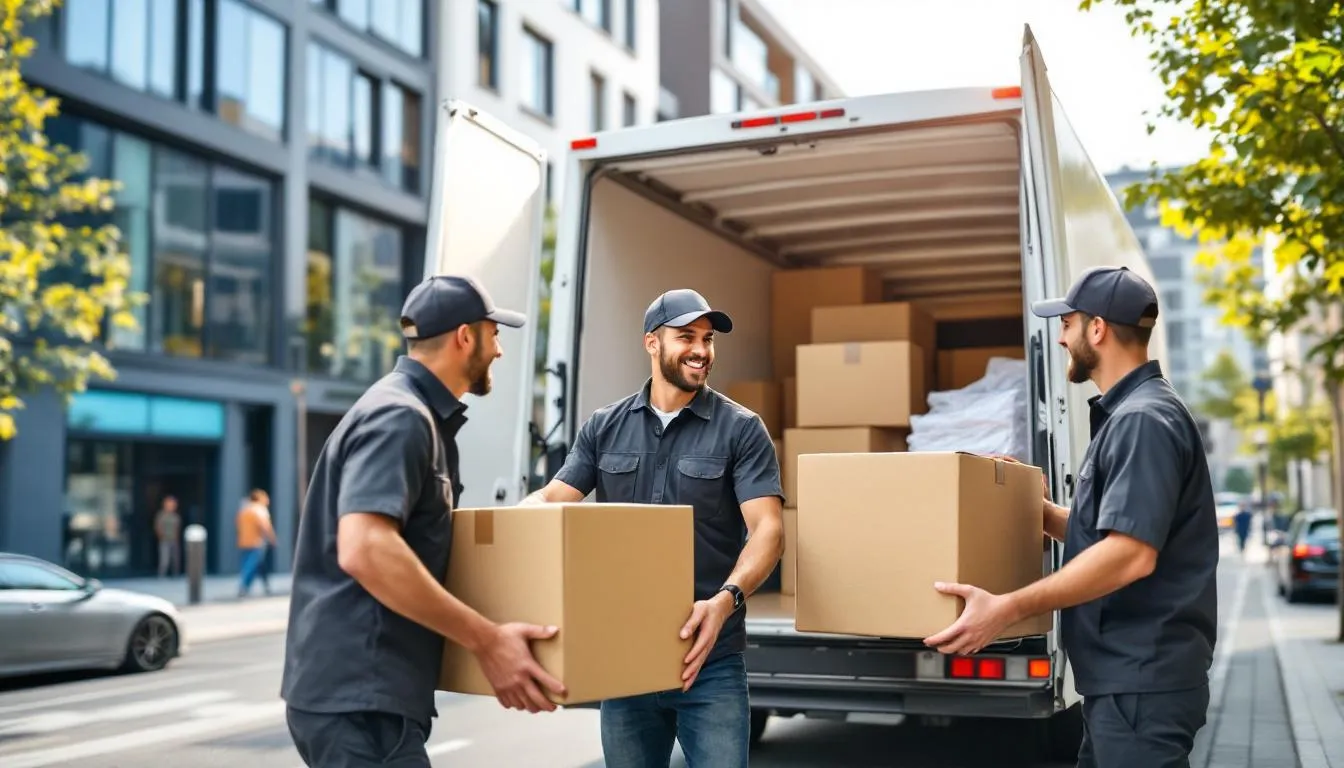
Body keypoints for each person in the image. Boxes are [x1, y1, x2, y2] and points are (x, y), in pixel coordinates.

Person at [922, 266, 1218, 767]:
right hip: (1126, 685)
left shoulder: (1142, 421)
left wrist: (1006, 608)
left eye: (1067, 323)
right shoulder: (1137, 414)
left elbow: (1129, 555)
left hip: (1141, 686)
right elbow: (1110, 536)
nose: (1059, 336)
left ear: (1097, 329)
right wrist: (1033, 511)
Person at [281, 275, 567, 768]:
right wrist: (488, 640)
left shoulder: (410, 414)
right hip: (360, 701)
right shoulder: (400, 417)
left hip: (362, 699)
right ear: (465, 337)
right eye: (494, 334)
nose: (499, 351)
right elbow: (365, 548)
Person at [522, 288, 785, 768]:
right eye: (687, 337)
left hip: (712, 662)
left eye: (707, 339)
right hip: (626, 662)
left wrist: (726, 601)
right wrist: (510, 525)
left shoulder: (742, 428)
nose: (702, 350)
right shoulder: (604, 427)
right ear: (651, 343)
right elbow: (552, 499)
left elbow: (768, 529)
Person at [237, 489, 276, 597]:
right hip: (256, 543)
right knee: (251, 565)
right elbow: (265, 526)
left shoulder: (244, 509)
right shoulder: (260, 510)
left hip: (244, 542)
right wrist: (272, 538)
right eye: (265, 497)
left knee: (259, 565)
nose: (267, 500)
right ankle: (243, 587)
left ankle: (266, 585)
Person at [154, 496, 181, 578]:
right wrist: (160, 537)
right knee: (164, 559)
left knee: (175, 558)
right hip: (164, 540)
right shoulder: (161, 515)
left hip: (173, 539)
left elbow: (177, 528)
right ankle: (162, 574)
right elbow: (158, 527)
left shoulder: (176, 516)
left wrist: (176, 539)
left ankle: (175, 574)